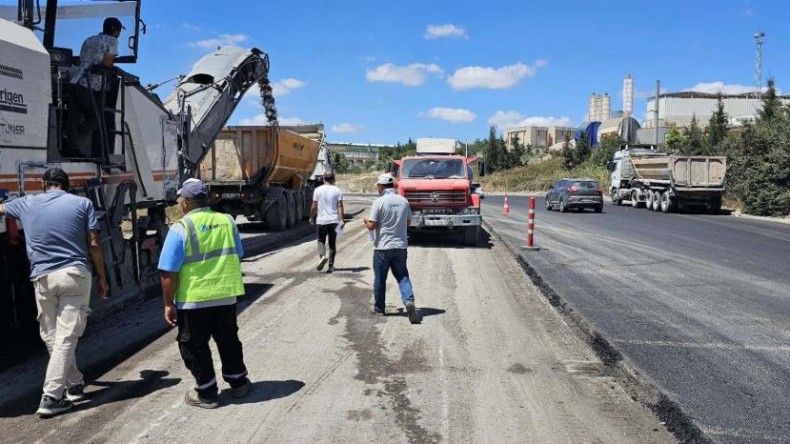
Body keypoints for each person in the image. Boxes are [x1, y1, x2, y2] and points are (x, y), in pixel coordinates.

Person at [0, 168, 109, 418]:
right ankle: (51, 396)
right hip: (74, 275)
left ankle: (74, 384)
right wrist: (102, 276)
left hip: (42, 279)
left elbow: (1, 209)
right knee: (65, 336)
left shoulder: (26, 203)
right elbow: (94, 243)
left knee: (53, 336)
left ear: (43, 184)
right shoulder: (82, 203)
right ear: (66, 185)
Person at [158, 178, 251, 409]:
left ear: (185, 202)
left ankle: (207, 393)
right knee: (228, 339)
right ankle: (239, 383)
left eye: (181, 199)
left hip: (194, 299)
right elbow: (237, 254)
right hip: (226, 294)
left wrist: (168, 304)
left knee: (193, 345)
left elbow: (168, 273)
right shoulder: (227, 221)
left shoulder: (181, 228)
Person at [363, 173, 420, 324]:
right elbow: (408, 223)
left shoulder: (379, 202)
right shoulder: (403, 201)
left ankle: (379, 309)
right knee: (402, 276)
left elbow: (372, 226)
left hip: (383, 247)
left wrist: (366, 222)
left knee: (380, 279)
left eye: (378, 187)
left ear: (381, 187)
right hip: (400, 246)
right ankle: (409, 301)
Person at [64, 17, 124, 157]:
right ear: (115, 30)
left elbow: (80, 60)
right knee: (97, 119)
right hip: (88, 85)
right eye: (119, 31)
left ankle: (70, 144)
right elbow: (107, 63)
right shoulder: (112, 41)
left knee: (74, 116)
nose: (119, 34)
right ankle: (73, 137)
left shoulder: (89, 40)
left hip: (75, 81)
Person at [309, 171, 344, 273]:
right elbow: (340, 206)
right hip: (334, 220)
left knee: (321, 240)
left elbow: (314, 206)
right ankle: (331, 266)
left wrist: (311, 217)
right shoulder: (337, 190)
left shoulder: (317, 190)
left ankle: (322, 256)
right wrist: (341, 219)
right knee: (332, 243)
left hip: (321, 220)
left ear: (323, 179)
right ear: (333, 179)